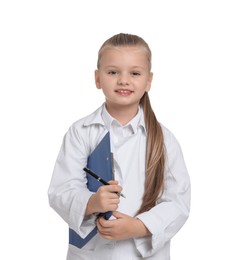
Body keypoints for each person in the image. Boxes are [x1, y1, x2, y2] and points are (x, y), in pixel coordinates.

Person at [48, 33, 191, 260]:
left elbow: (177, 202)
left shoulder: (164, 139)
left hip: (142, 253)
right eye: (113, 72)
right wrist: (91, 202)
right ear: (97, 78)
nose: (123, 80)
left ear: (149, 81)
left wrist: (138, 227)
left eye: (134, 73)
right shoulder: (80, 132)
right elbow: (61, 191)